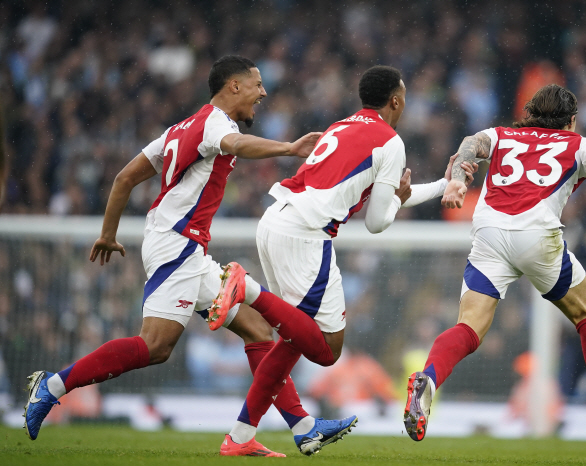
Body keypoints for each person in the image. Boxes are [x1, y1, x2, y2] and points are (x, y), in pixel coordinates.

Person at [22, 55, 351, 458]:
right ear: (233, 86)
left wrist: (108, 234)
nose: (263, 93)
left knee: (258, 330)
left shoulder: (182, 127)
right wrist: (289, 147)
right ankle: (52, 386)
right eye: (257, 84)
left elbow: (125, 177)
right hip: (176, 242)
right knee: (155, 346)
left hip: (185, 246)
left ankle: (300, 428)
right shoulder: (216, 125)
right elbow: (237, 144)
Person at [207, 65, 472, 455]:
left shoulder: (342, 126)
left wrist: (440, 185)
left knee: (293, 338)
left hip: (278, 220)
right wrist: (398, 197)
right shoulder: (390, 140)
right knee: (328, 350)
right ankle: (245, 288)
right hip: (307, 236)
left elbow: (383, 197)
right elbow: (379, 222)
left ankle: (244, 435)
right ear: (396, 100)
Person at [403, 83, 586, 450]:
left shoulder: (500, 134)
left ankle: (428, 380)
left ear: (531, 112)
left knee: (469, 327)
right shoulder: (578, 144)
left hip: (490, 232)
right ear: (571, 120)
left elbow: (468, 144)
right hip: (537, 234)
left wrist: (459, 182)